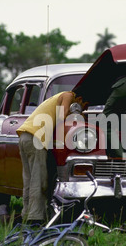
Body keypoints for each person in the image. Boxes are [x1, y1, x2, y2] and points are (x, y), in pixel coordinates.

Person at [16, 91, 79, 225]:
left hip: (25, 136)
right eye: (83, 104)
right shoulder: (68, 95)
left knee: (29, 179)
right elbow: (62, 116)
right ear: (78, 98)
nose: (82, 108)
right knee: (39, 179)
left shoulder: (55, 98)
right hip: (36, 138)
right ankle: (35, 218)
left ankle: (26, 214)